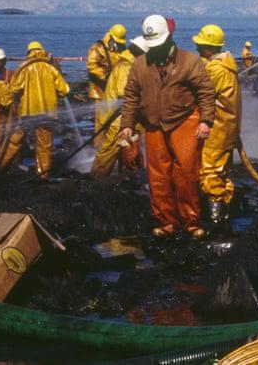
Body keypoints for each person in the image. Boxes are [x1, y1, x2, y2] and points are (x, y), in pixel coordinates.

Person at [119, 14, 216, 239]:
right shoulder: (139, 65)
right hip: (153, 125)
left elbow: (206, 92)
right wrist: (127, 125)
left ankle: (191, 222)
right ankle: (167, 222)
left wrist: (205, 120)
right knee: (158, 176)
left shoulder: (190, 61)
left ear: (169, 37)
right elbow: (131, 96)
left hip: (185, 120)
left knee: (186, 173)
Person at [192, 24, 240, 227]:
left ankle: (215, 220)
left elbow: (199, 92)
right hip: (228, 127)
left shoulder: (215, 69)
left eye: (201, 46)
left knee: (210, 170)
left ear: (209, 48)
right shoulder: (226, 65)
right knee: (223, 170)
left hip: (217, 127)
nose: (197, 49)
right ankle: (226, 215)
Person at [2, 41, 70, 179]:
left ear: (29, 52)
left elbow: (13, 88)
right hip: (47, 114)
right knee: (44, 145)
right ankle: (43, 175)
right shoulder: (50, 68)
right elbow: (65, 90)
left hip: (28, 113)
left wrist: (5, 103)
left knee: (16, 140)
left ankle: (2, 167)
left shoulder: (24, 69)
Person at [90, 32, 137, 178]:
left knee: (126, 145)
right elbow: (124, 93)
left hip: (123, 112)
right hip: (117, 114)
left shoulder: (126, 59)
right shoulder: (125, 65)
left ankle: (124, 174)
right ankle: (97, 179)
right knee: (111, 146)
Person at [87, 24, 128, 152]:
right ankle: (99, 151)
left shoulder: (121, 48)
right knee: (100, 124)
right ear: (110, 36)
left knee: (116, 122)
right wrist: (108, 77)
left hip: (115, 93)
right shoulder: (97, 48)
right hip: (100, 92)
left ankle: (114, 149)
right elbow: (91, 66)